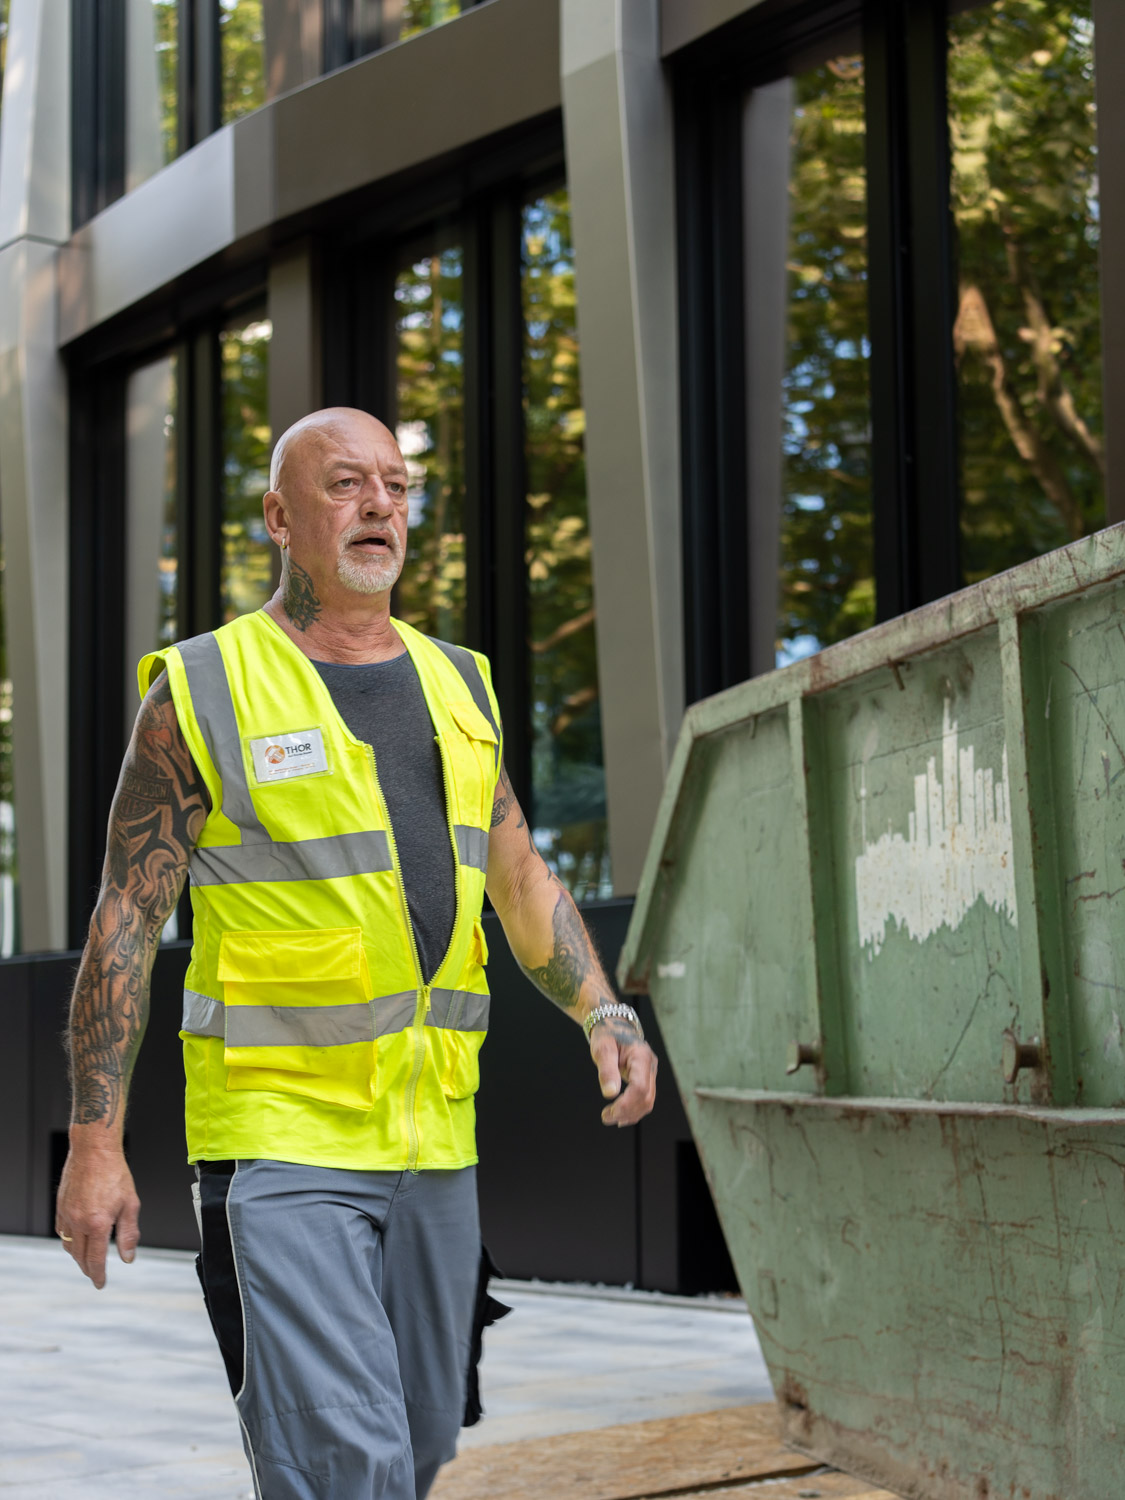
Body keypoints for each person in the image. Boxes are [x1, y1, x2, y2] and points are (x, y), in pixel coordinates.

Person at [55, 407, 658, 1500]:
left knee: (415, 1454)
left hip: (435, 1144)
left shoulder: (459, 682)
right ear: (279, 518)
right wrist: (96, 1142)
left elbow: (518, 874)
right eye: (345, 483)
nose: (379, 504)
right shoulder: (202, 687)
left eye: (396, 483)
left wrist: (601, 1010)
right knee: (345, 1464)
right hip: (281, 1144)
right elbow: (126, 919)